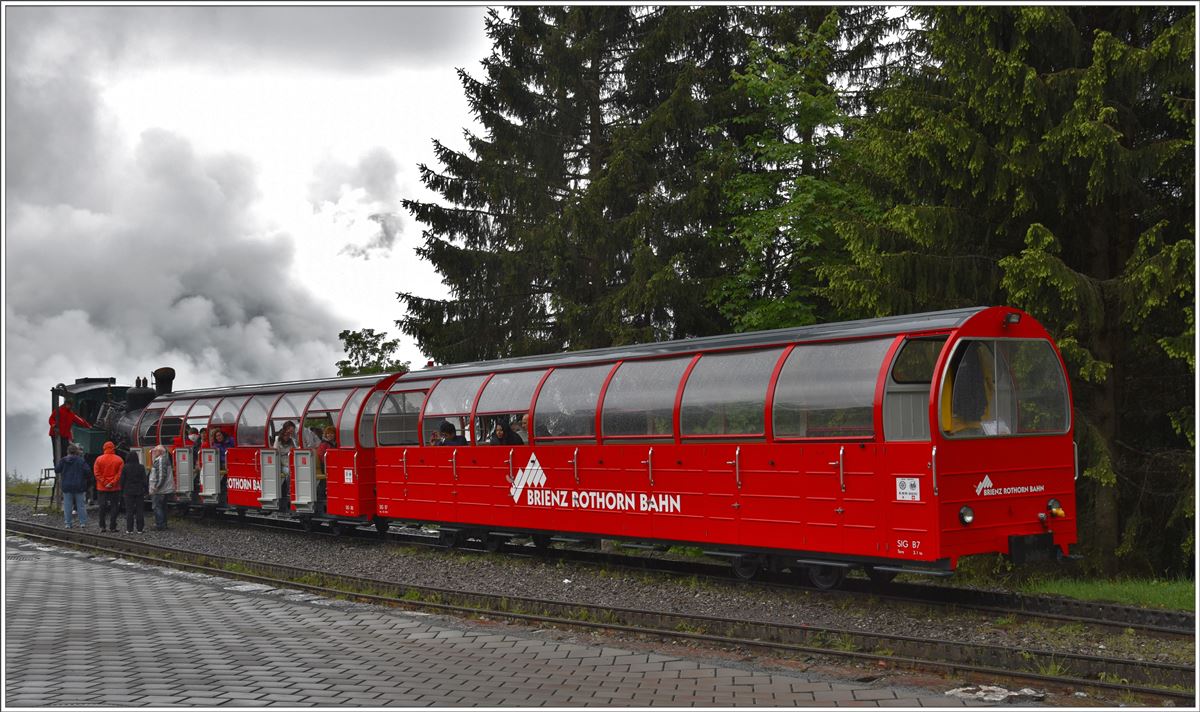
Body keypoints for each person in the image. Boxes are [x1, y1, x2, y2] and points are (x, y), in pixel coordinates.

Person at [54, 444, 91, 529]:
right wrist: (84, 478)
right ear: (77, 452)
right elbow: (88, 471)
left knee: (67, 506)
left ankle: (68, 524)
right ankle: (82, 523)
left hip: (67, 486)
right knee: (81, 505)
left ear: (68, 451)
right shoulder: (81, 461)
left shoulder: (63, 460)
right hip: (79, 486)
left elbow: (57, 469)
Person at [93, 441, 124, 533]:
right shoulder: (119, 460)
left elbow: (97, 473)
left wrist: (105, 483)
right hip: (115, 488)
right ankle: (113, 526)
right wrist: (112, 483)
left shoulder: (99, 459)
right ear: (113, 448)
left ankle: (102, 526)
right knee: (114, 507)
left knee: (102, 507)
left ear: (104, 448)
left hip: (102, 488)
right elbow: (119, 474)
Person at [121, 450, 148, 534]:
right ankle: (140, 529)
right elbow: (144, 480)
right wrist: (146, 490)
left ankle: (129, 529)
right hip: (139, 491)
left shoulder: (125, 467)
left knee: (129, 511)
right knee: (139, 510)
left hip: (128, 491)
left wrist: (122, 489)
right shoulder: (141, 467)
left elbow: (122, 480)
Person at [148, 445, 174, 531]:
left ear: (160, 452)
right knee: (162, 507)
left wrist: (157, 487)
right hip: (164, 489)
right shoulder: (164, 459)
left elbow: (161, 475)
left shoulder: (160, 460)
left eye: (155, 451)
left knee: (157, 507)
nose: (154, 452)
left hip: (160, 490)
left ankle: (160, 525)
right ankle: (163, 524)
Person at [273, 421, 297, 502]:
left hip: (291, 462)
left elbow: (295, 450)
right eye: (289, 430)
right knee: (289, 472)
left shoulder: (292, 440)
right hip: (283, 464)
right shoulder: (278, 440)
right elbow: (275, 453)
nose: (288, 435)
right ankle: (289, 490)